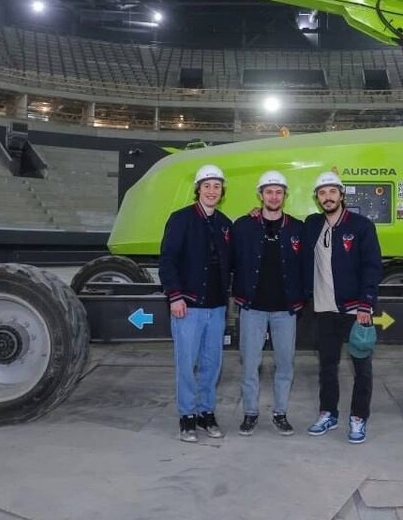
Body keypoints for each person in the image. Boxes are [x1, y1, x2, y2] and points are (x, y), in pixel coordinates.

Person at [303, 171, 383, 444]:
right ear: (317, 198)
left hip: (355, 309)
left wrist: (366, 304)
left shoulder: (361, 226)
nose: (327, 197)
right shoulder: (312, 224)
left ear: (341, 194)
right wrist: (257, 213)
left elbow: (372, 267)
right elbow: (282, 226)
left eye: (332, 192)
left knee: (362, 367)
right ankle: (328, 413)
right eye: (322, 193)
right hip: (324, 309)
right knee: (327, 366)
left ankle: (359, 417)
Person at [160, 163, 233, 443]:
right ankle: (187, 416)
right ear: (198, 189)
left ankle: (206, 412)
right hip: (188, 306)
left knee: (212, 365)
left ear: (222, 191)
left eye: (217, 186)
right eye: (207, 186)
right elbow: (167, 260)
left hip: (216, 307)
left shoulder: (224, 224)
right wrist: (175, 295)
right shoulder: (181, 219)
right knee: (187, 365)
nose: (212, 191)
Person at [231, 170, 306, 436]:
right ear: (260, 195)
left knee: (285, 364)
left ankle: (280, 413)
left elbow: (306, 265)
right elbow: (231, 260)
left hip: (285, 310)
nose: (274, 196)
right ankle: (250, 413)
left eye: (278, 192)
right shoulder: (243, 226)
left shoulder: (298, 228)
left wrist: (302, 297)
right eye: (269, 192)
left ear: (285, 195)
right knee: (250, 364)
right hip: (252, 308)